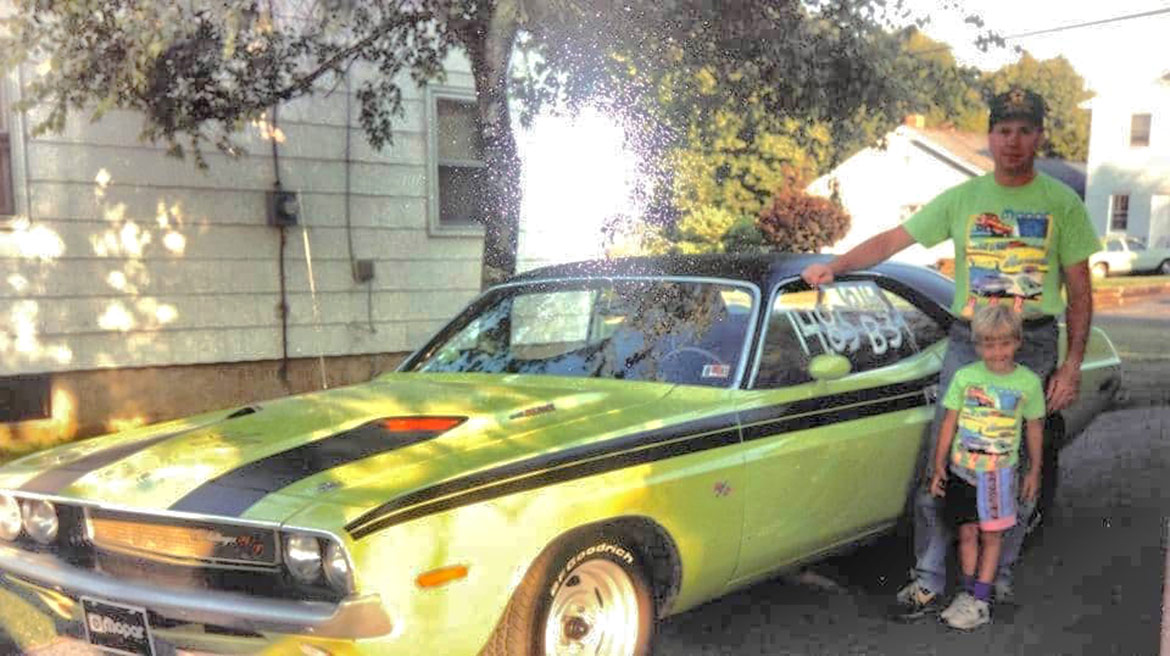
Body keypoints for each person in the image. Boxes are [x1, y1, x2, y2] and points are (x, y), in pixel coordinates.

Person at [800, 87, 1101, 618]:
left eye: (1025, 130)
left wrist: (1072, 363)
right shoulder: (964, 199)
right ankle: (928, 580)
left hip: (1031, 345)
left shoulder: (1062, 203)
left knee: (1013, 466)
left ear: (1040, 136)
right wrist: (836, 265)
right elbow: (895, 239)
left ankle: (994, 581)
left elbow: (1080, 291)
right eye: (1004, 130)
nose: (1013, 141)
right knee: (941, 462)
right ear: (990, 136)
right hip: (968, 342)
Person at [929, 304, 1045, 630]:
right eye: (989, 345)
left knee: (992, 537)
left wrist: (1034, 470)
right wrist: (939, 466)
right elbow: (948, 423)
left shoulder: (1028, 383)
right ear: (977, 345)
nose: (997, 352)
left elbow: (1035, 428)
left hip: (999, 476)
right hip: (962, 471)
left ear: (1018, 341)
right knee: (967, 533)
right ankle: (967, 593)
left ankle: (980, 600)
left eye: (1004, 343)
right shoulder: (965, 378)